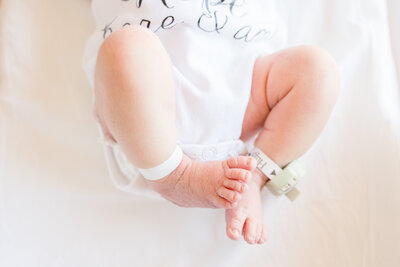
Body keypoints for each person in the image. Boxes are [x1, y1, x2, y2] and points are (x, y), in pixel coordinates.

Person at [83, 0, 340, 245]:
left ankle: (256, 173)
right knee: (125, 51)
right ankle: (174, 177)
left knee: (319, 72)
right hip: (152, 102)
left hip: (248, 88)